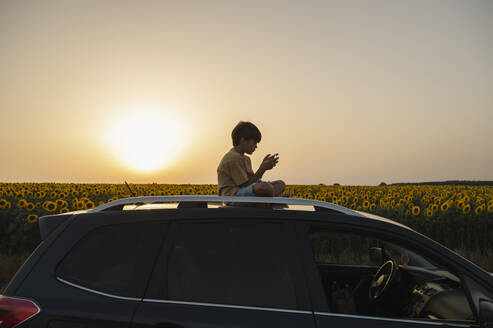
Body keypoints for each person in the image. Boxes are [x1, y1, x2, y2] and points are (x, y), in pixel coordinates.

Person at [217, 121, 286, 198]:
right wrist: (262, 168)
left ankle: (269, 198)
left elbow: (253, 180)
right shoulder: (232, 158)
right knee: (265, 188)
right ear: (243, 140)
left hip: (246, 191)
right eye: (254, 143)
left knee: (280, 184)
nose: (256, 146)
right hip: (232, 196)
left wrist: (264, 165)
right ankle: (272, 199)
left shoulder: (246, 159)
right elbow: (245, 185)